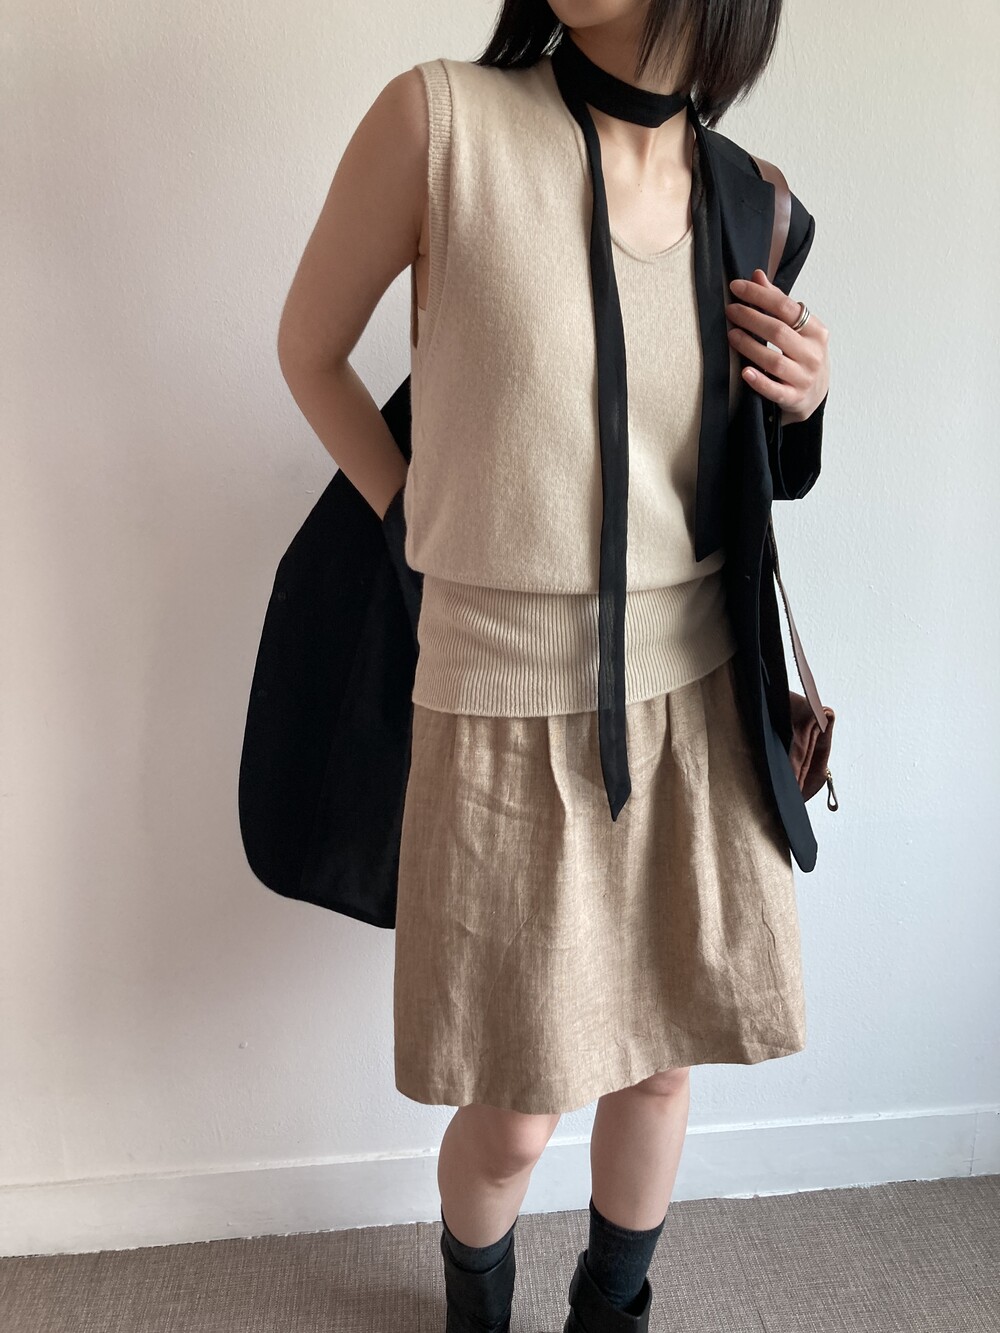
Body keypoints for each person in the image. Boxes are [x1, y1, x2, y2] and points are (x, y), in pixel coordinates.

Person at [276, 2, 831, 1330]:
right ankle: (476, 1303)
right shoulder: (443, 125)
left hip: (693, 694)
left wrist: (807, 402)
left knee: (661, 1063)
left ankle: (611, 1309)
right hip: (500, 699)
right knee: (517, 1111)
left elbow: (741, 476)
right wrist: (415, 519)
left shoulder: (749, 197)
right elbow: (310, 350)